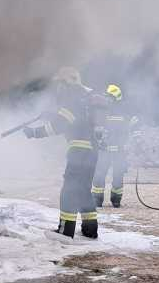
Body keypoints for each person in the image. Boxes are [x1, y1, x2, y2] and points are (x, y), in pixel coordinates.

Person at [25, 67, 101, 238]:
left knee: (69, 190)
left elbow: (59, 125)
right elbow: (76, 119)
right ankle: (90, 230)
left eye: (59, 84)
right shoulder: (86, 97)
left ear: (65, 83)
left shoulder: (72, 97)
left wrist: (34, 132)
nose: (58, 88)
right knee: (83, 190)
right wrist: (53, 114)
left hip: (78, 151)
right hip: (92, 152)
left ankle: (65, 231)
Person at [92, 84, 138, 208]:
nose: (107, 99)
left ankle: (116, 200)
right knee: (99, 176)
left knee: (118, 177)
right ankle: (97, 200)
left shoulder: (125, 112)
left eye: (109, 97)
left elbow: (133, 128)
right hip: (104, 150)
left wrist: (136, 141)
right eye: (106, 97)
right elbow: (95, 128)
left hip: (119, 152)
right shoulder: (102, 111)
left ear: (115, 98)